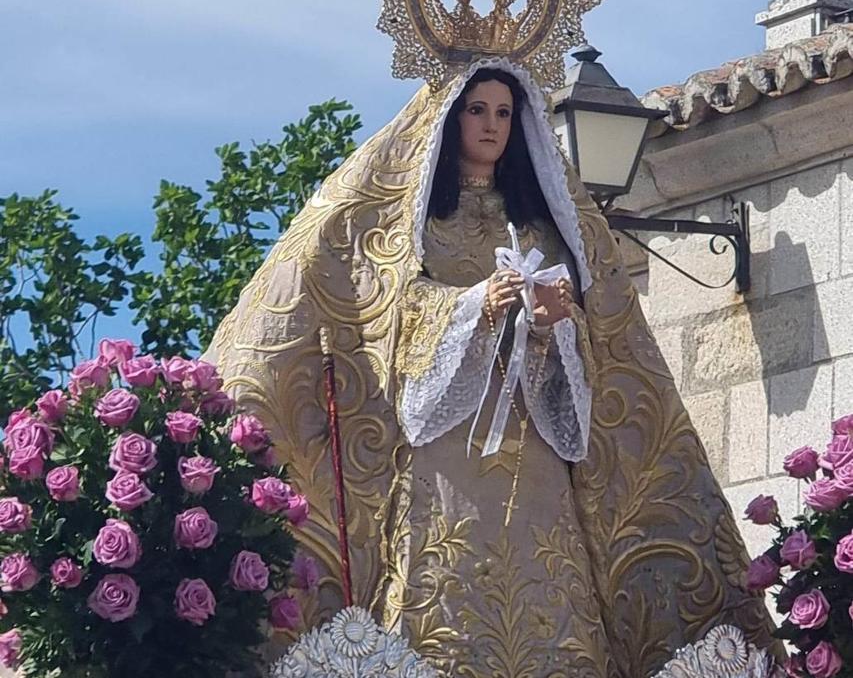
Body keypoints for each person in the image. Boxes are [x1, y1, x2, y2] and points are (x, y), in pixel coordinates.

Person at [206, 57, 775, 677]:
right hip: (448, 446)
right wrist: (475, 304)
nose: (491, 125)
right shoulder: (423, 224)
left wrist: (557, 322)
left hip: (532, 447)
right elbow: (395, 309)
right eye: (477, 110)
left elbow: (583, 349)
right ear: (451, 120)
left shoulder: (539, 229)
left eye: (504, 113)